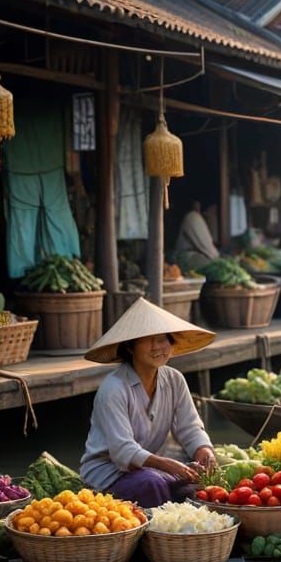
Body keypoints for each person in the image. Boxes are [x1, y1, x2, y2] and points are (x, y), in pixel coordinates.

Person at [80, 298, 217, 507]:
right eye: (147, 340)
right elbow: (123, 450)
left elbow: (189, 428)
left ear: (171, 345)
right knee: (152, 485)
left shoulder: (174, 379)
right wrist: (169, 465)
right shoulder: (114, 388)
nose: (157, 347)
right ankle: (161, 534)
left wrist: (203, 452)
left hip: (149, 471)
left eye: (162, 339)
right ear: (131, 347)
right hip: (108, 475)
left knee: (194, 488)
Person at [172, 201, 219, 272]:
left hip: (191, 256)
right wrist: (219, 259)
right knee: (213, 268)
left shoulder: (199, 218)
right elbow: (204, 245)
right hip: (186, 258)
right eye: (213, 209)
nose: (214, 213)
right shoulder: (193, 217)